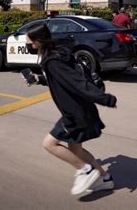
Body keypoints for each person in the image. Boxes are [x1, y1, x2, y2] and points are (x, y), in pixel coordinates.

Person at [25, 23, 117, 195]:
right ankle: (105, 179)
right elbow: (61, 79)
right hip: (79, 109)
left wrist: (105, 98)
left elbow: (77, 82)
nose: (28, 45)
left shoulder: (52, 60)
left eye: (30, 42)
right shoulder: (56, 54)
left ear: (38, 41)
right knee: (76, 150)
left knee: (49, 144)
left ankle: (85, 170)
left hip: (75, 113)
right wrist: (39, 79)